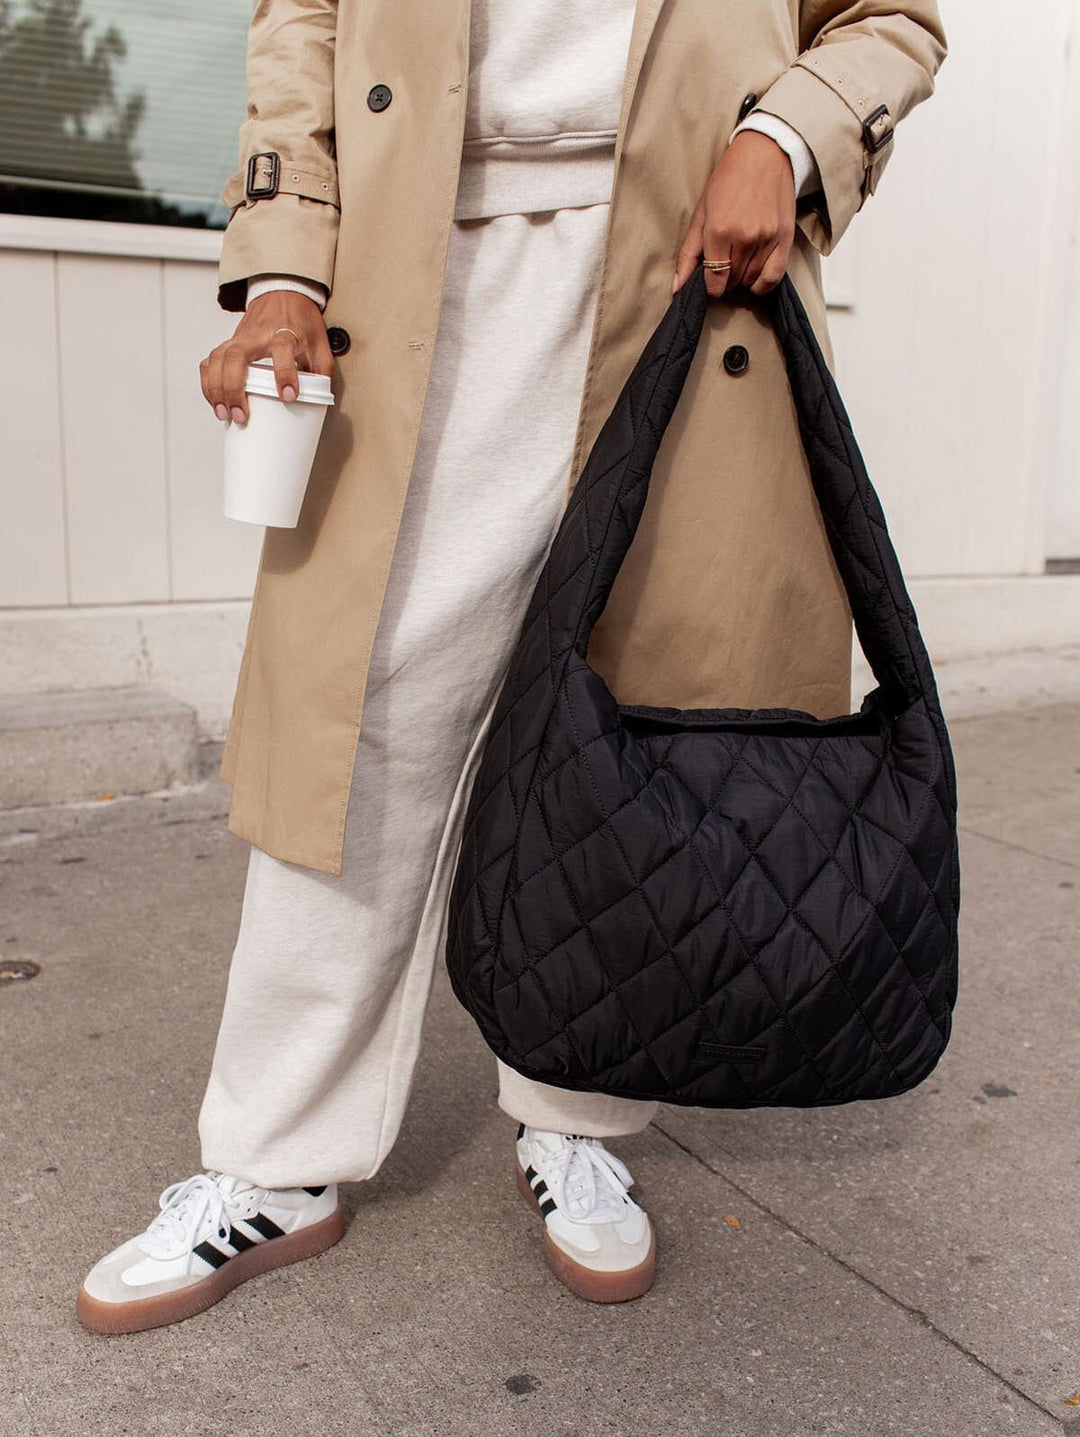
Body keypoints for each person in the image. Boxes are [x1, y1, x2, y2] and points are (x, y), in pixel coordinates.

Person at [77, 0, 946, 1333]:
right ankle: (278, 1152)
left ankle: (576, 1110)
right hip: (414, 272)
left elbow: (891, 20)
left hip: (679, 276)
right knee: (360, 725)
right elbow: (302, 18)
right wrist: (287, 268)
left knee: (640, 729)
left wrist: (784, 135)